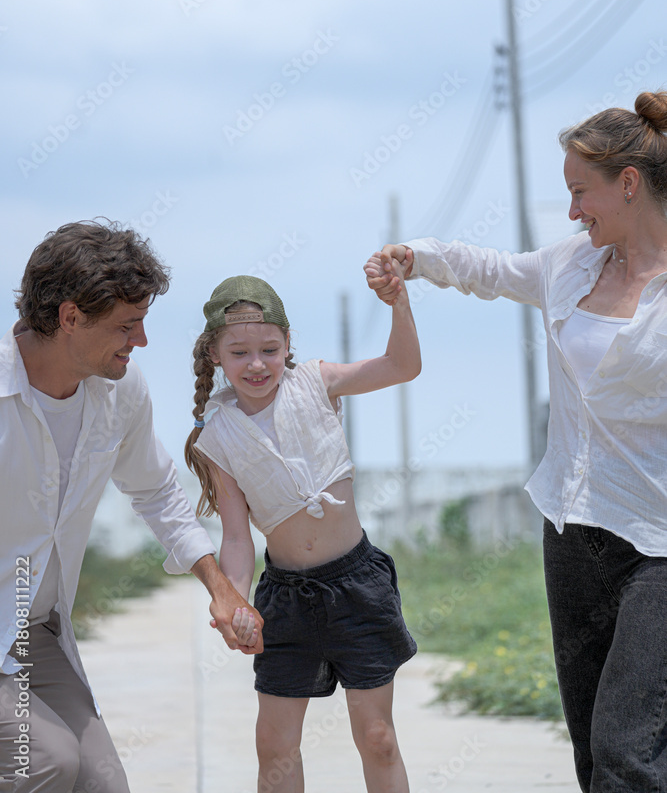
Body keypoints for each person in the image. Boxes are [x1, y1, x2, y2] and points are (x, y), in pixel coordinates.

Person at [365, 90, 667, 793]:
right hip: (572, 532)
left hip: (658, 546)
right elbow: (489, 270)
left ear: (628, 184)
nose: (570, 212)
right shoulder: (570, 266)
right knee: (593, 746)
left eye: (578, 192)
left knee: (629, 749)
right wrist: (418, 257)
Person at [0, 220, 263, 793]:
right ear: (70, 317)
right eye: (127, 324)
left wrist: (220, 586)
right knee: (43, 762)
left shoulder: (120, 390)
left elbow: (157, 490)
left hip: (34, 632)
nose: (139, 341)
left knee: (100, 784)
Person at [185, 270, 421, 793]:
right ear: (214, 357)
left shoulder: (316, 381)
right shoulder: (216, 434)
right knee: (274, 744)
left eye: (270, 349)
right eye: (239, 352)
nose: (257, 364)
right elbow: (238, 536)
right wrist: (237, 602)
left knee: (377, 736)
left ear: (288, 345)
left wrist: (399, 303)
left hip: (358, 585)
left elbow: (403, 366)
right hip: (286, 599)